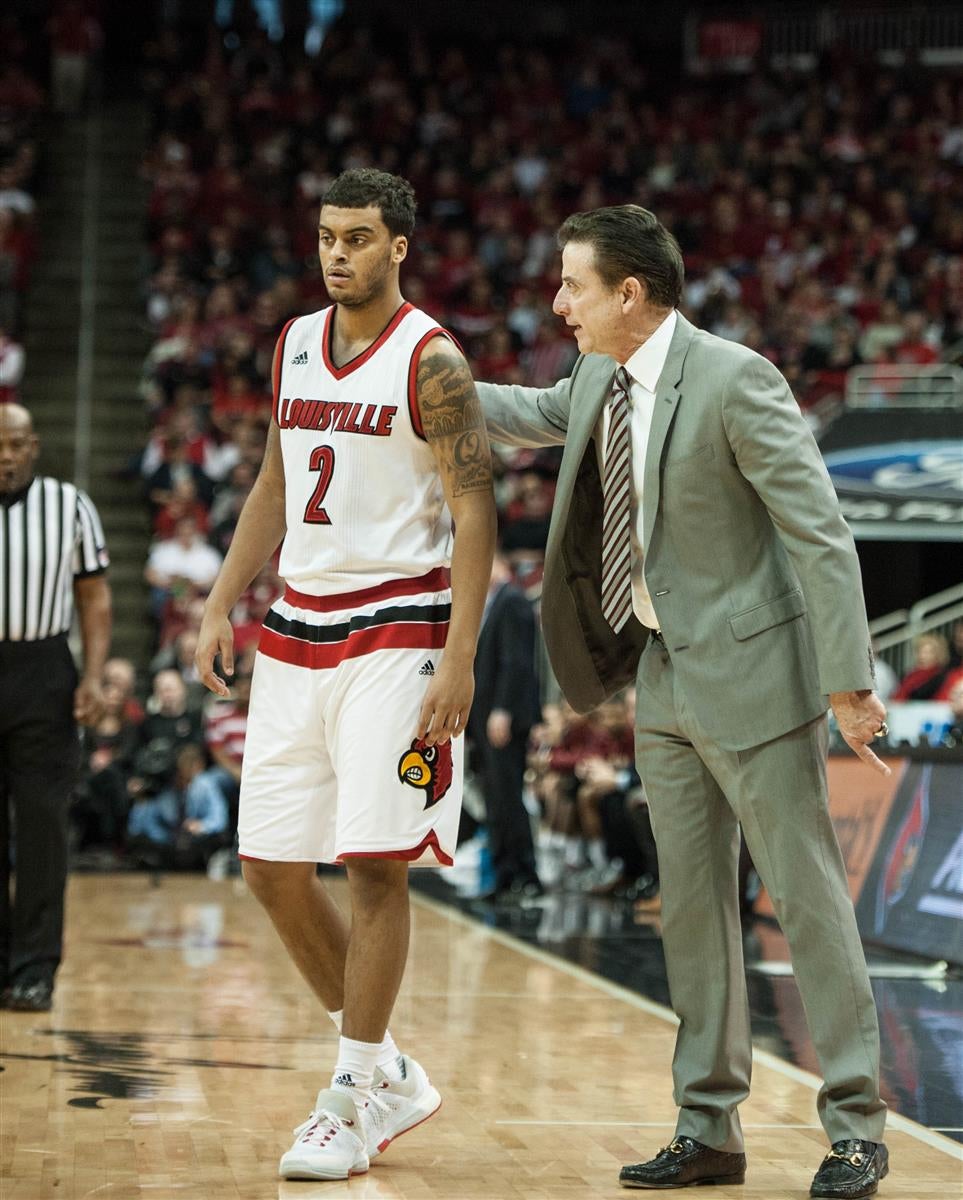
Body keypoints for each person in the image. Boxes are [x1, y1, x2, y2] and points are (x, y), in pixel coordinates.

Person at [476, 205, 890, 1200]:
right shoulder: (593, 379)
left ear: (629, 292)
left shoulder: (736, 377)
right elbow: (532, 410)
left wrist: (850, 682)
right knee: (692, 914)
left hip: (757, 679)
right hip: (660, 677)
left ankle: (857, 1127)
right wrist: (425, 376)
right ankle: (709, 1127)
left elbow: (821, 534)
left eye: (572, 284)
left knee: (804, 902)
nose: (557, 302)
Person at [195, 168, 496, 1182]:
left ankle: (356, 1083)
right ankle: (388, 1070)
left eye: (359, 238)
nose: (337, 254)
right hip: (295, 629)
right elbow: (275, 485)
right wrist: (220, 597)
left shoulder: (435, 361)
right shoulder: (290, 343)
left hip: (398, 632)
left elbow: (475, 513)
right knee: (271, 869)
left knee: (375, 864)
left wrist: (459, 653)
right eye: (327, 236)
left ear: (399, 247)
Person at [0, 403, 111, 1011]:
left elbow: (94, 600)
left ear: (34, 446)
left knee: (42, 825)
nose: (6, 456)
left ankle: (35, 968)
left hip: (43, 671)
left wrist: (92, 677)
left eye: (15, 445)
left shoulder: (69, 507)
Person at [467, 548, 542, 900]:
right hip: (486, 718)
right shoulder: (493, 603)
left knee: (509, 796)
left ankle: (524, 873)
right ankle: (503, 870)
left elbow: (517, 663)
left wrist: (503, 710)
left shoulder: (511, 601)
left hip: (504, 719)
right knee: (496, 798)